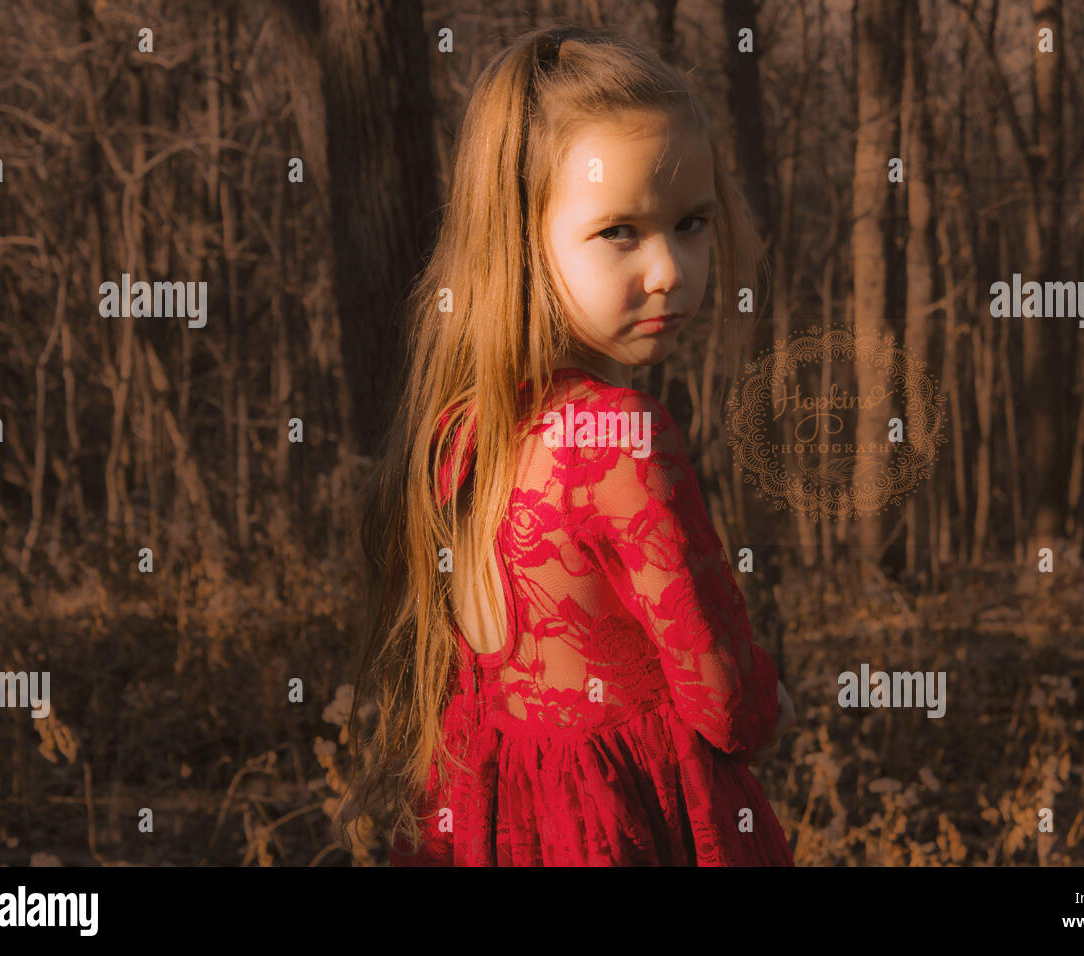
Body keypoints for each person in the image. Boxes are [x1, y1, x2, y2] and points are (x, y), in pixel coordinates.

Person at [334, 22, 797, 866]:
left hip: (499, 824)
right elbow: (724, 700)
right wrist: (777, 702)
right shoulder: (620, 437)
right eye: (620, 231)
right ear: (520, 239)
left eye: (691, 223)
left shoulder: (460, 429)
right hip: (629, 826)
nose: (669, 269)